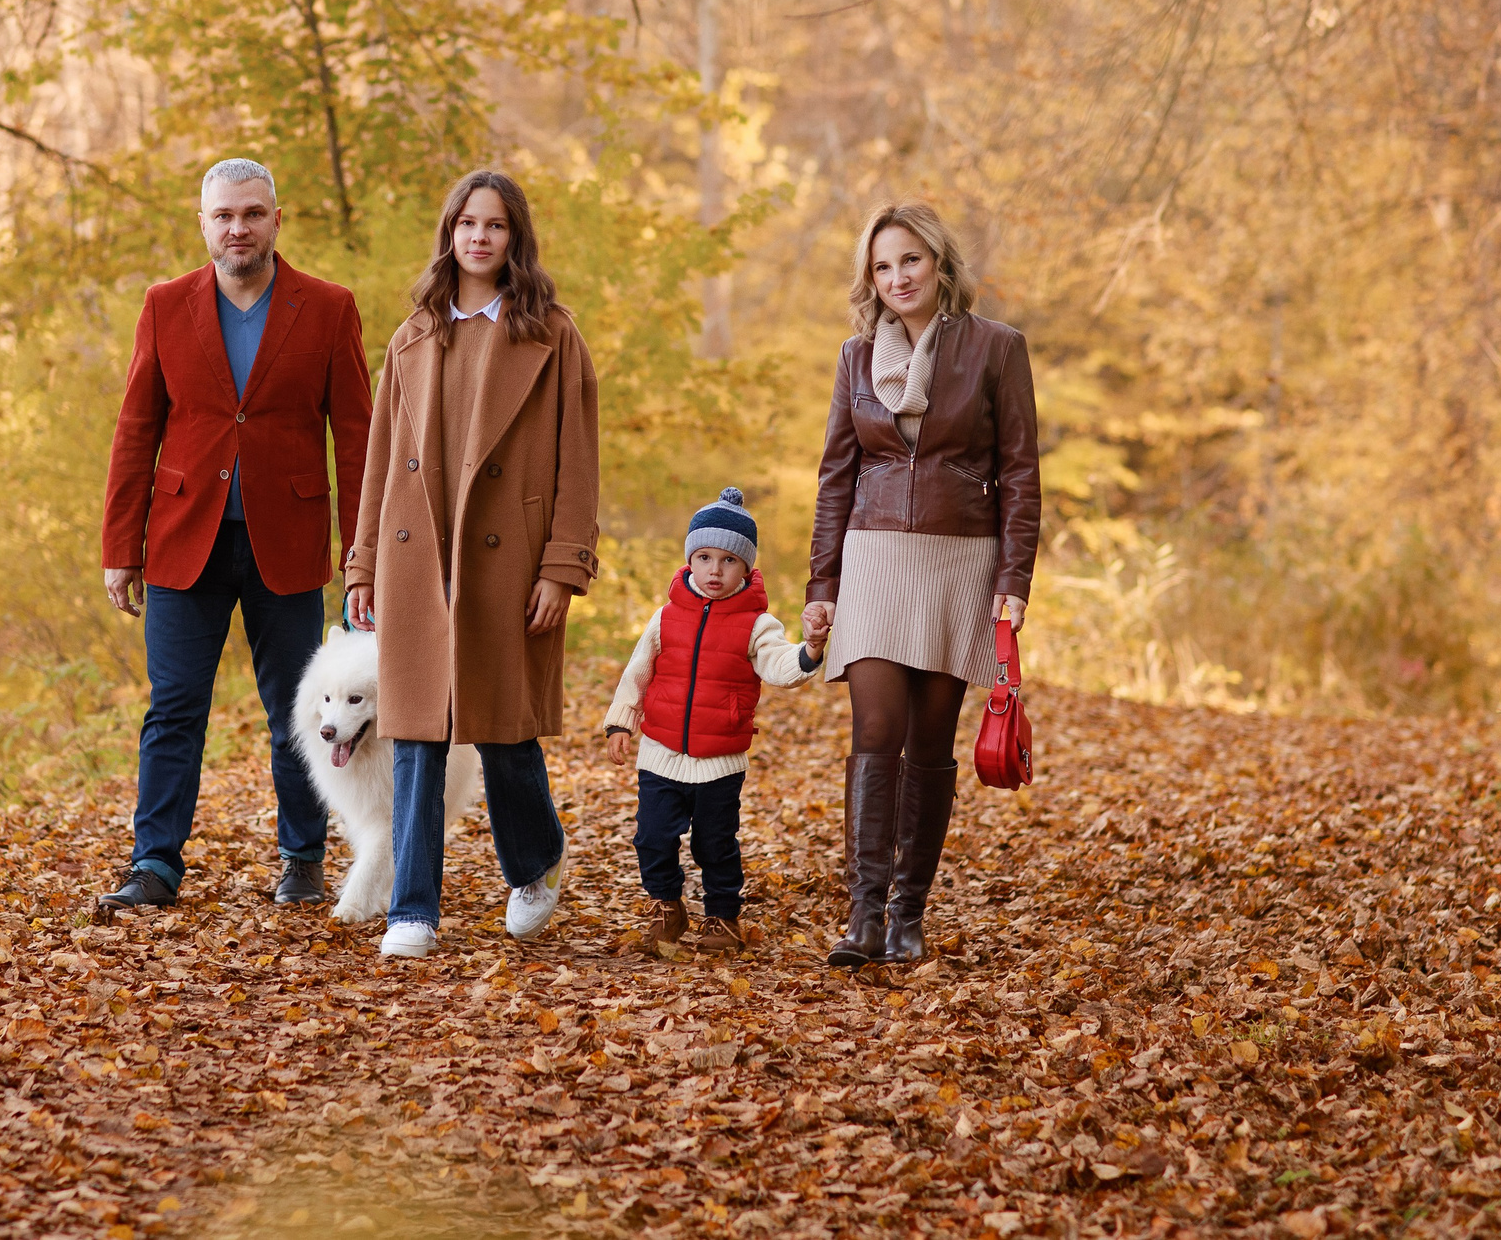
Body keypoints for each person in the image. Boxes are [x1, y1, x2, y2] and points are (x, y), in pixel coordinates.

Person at [98, 158, 375, 911]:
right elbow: (135, 430)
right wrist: (122, 546)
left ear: (276, 219)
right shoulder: (164, 305)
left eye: (252, 213)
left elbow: (357, 441)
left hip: (286, 542)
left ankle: (303, 856)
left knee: (302, 708)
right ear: (204, 224)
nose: (237, 227)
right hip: (184, 538)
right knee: (173, 708)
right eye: (223, 215)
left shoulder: (326, 307)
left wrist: (363, 558)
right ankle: (154, 864)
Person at [342, 169, 600, 959]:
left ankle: (534, 861)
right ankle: (413, 908)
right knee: (417, 730)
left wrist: (562, 566)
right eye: (466, 223)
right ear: (449, 233)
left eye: (495, 225)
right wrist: (362, 565)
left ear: (515, 238)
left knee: (501, 732)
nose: (479, 237)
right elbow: (380, 460)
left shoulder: (552, 335)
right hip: (417, 559)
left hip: (508, 562)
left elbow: (577, 464)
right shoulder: (413, 336)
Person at [803, 201, 1041, 967]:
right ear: (870, 279)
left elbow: (1020, 473)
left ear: (939, 263)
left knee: (932, 740)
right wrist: (821, 582)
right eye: (882, 265)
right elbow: (837, 473)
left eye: (910, 260)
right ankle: (864, 915)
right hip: (872, 554)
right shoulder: (854, 356)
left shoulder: (997, 349)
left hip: (960, 558)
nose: (897, 276)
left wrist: (1014, 577)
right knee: (876, 729)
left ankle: (909, 913)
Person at [600, 487, 827, 953]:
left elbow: (780, 667)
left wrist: (811, 651)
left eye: (727, 560)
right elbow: (637, 671)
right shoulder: (665, 618)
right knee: (652, 836)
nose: (714, 570)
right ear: (689, 560)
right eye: (704, 557)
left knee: (715, 844)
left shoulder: (757, 624)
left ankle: (722, 918)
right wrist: (621, 723)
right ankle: (667, 906)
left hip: (720, 761)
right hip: (661, 752)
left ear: (746, 567)